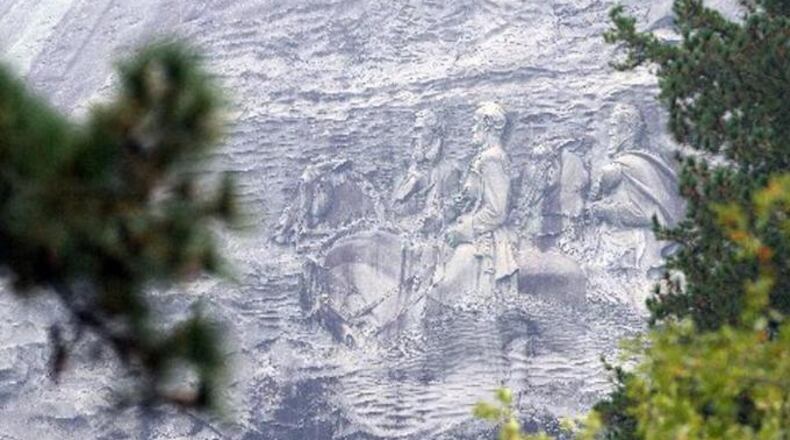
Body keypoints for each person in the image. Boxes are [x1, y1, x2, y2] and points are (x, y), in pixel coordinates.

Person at [435, 102, 519, 302]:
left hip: (487, 237)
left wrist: (464, 230)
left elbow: (497, 211)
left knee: (446, 287)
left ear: (487, 127)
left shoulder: (492, 159)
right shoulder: (484, 157)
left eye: (476, 124)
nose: (473, 129)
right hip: (477, 230)